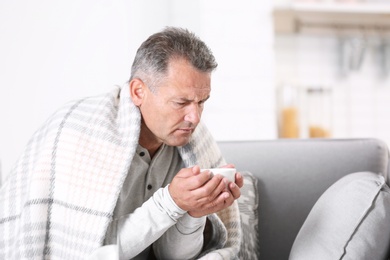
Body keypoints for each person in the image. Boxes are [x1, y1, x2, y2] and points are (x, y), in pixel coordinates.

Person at [0, 27, 243, 259]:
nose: (195, 118)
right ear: (138, 92)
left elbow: (171, 255)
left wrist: (195, 213)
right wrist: (170, 202)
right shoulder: (82, 133)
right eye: (181, 103)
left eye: (202, 102)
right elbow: (87, 250)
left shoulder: (192, 143)